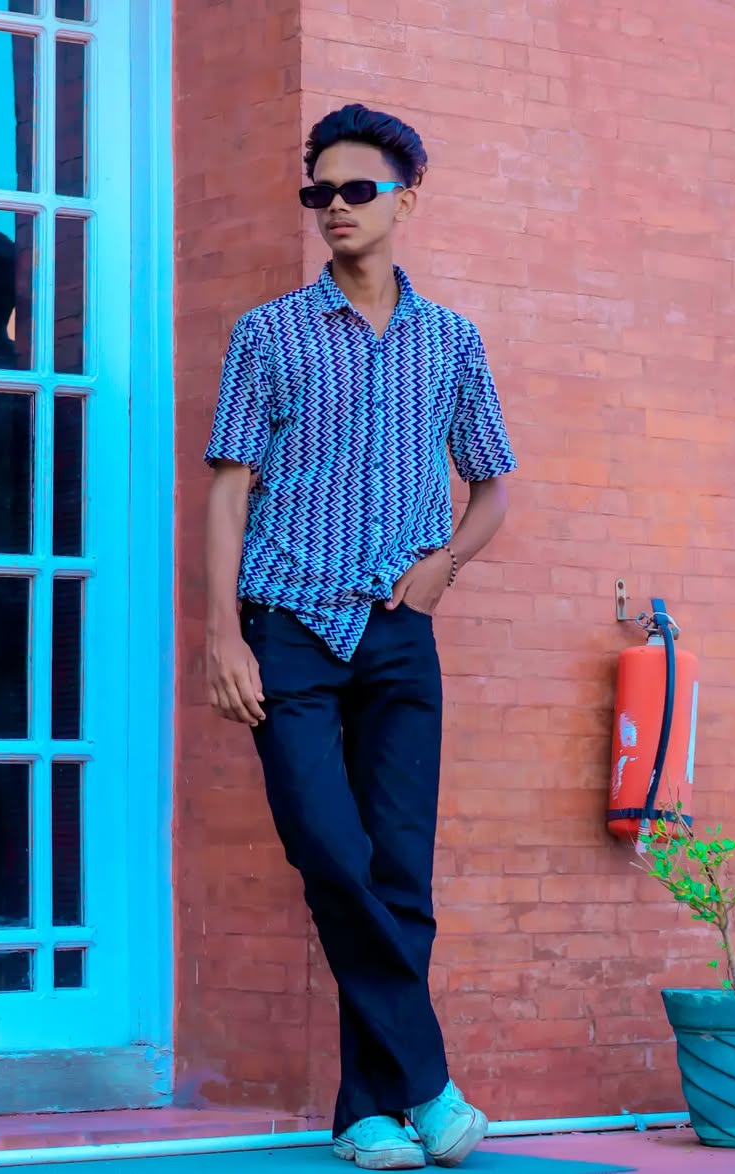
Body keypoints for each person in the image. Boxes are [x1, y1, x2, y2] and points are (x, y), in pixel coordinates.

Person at [204, 105, 516, 1170]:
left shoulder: (450, 342)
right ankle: (430, 1082)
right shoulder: (269, 334)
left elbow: (492, 486)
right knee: (328, 851)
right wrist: (222, 636)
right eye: (319, 193)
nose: (333, 208)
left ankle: (368, 1113)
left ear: (405, 201)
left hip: (397, 634)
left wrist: (446, 566)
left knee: (400, 874)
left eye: (356, 190)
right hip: (287, 627)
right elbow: (228, 491)